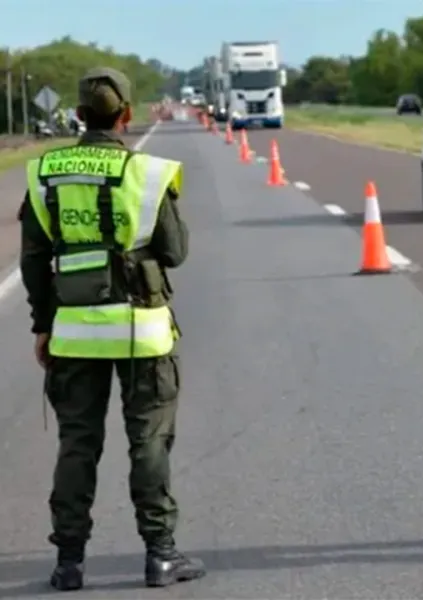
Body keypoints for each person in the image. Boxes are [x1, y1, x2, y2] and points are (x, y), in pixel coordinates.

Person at [18, 67, 204, 590]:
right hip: (143, 333)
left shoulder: (44, 173)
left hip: (73, 332)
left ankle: (68, 563)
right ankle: (160, 555)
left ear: (79, 115)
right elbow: (175, 252)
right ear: (126, 116)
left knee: (77, 444)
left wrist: (43, 325)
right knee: (148, 441)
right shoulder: (146, 173)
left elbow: (34, 261)